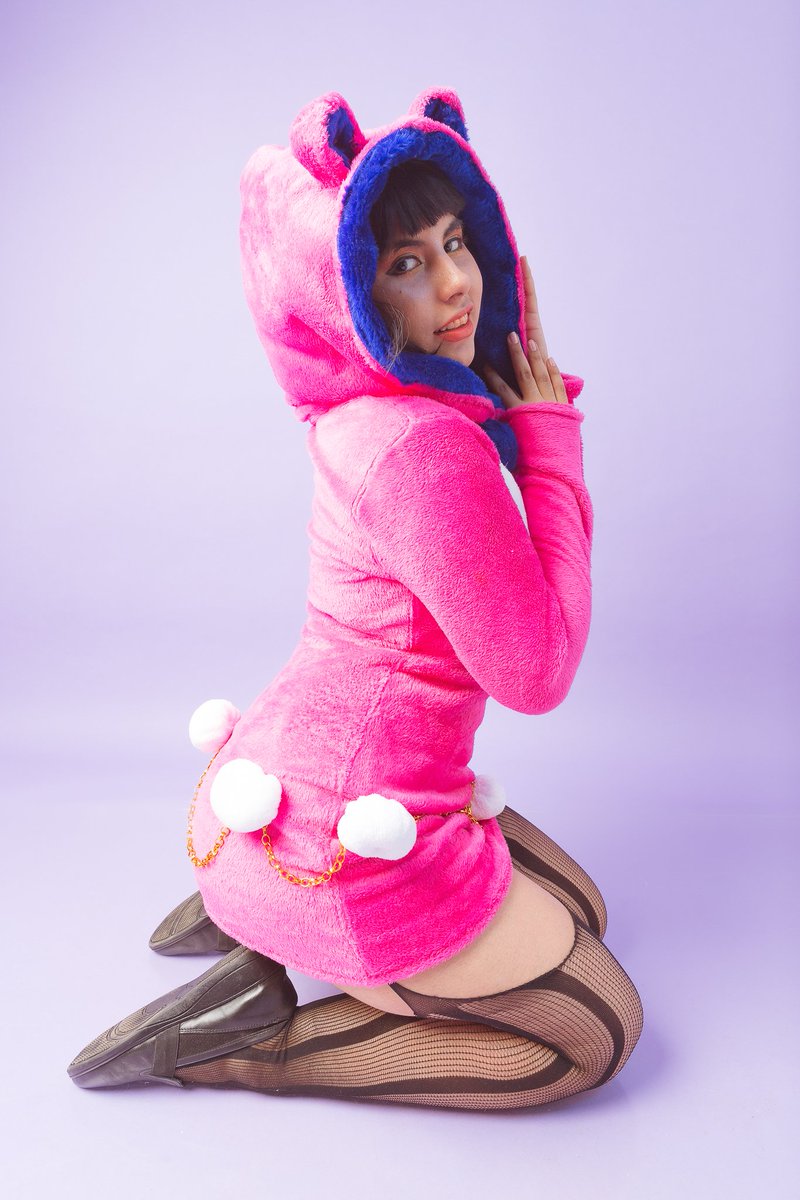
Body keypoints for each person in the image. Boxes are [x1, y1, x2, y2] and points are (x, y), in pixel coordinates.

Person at [67, 88, 644, 1110]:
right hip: (343, 851)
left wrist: (508, 419)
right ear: (353, 298)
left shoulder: (364, 409)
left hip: (278, 798)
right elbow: (539, 673)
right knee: (596, 1031)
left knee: (585, 910)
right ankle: (245, 1042)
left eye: (456, 242)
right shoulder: (427, 450)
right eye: (405, 264)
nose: (456, 282)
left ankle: (255, 917)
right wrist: (550, 443)